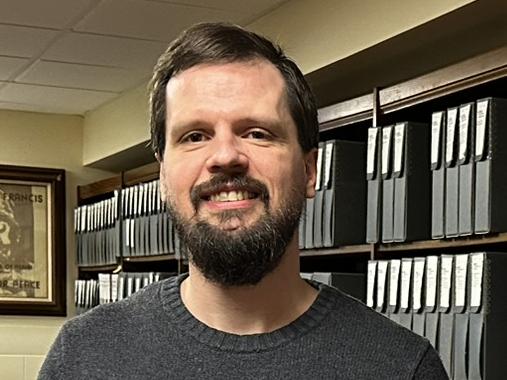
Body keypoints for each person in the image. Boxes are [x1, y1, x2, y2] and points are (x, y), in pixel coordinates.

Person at [39, 22, 447, 379]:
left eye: (257, 132)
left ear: (309, 171)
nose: (225, 156)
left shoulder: (400, 366)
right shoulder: (85, 355)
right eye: (195, 136)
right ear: (164, 175)